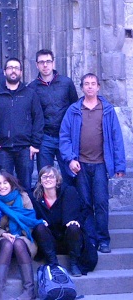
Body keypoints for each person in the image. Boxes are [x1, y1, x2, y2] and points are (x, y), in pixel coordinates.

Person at [60, 73, 126, 253]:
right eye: (86, 84)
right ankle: (90, 239)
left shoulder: (107, 110)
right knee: (85, 203)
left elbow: (116, 138)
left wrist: (119, 165)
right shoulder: (74, 110)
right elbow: (64, 137)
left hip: (100, 164)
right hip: (80, 164)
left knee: (101, 202)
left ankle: (103, 239)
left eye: (93, 84)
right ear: (82, 87)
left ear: (98, 87)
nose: (90, 87)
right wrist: (70, 159)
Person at [32, 166, 98, 277]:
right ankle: (53, 263)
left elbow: (85, 209)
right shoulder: (35, 197)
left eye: (51, 177)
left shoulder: (69, 192)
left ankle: (74, 263)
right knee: (39, 226)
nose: (48, 179)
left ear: (57, 180)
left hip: (68, 238)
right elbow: (27, 214)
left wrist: (78, 222)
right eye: (44, 177)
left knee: (73, 226)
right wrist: (38, 221)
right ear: (40, 181)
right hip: (48, 239)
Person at [0, 57, 44, 192]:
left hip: (25, 149)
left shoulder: (30, 94)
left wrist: (35, 144)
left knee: (24, 186)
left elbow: (38, 119)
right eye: (10, 68)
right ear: (4, 72)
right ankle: (4, 213)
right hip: (3, 149)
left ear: (21, 72)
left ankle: (24, 212)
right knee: (2, 186)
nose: (13, 71)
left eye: (16, 68)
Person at [0, 170, 43, 300]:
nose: (2, 186)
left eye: (5, 182)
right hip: (0, 240)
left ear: (11, 183)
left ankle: (29, 291)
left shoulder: (23, 197)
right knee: (7, 244)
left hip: (23, 237)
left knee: (18, 243)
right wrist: (4, 234)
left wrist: (18, 234)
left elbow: (30, 220)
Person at [29, 49, 78, 186]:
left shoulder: (66, 83)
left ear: (53, 63)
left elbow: (74, 108)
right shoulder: (32, 87)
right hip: (45, 138)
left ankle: (68, 205)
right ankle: (48, 206)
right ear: (36, 65)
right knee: (45, 176)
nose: (45, 65)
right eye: (42, 62)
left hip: (65, 137)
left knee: (69, 175)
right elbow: (31, 115)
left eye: (48, 61)